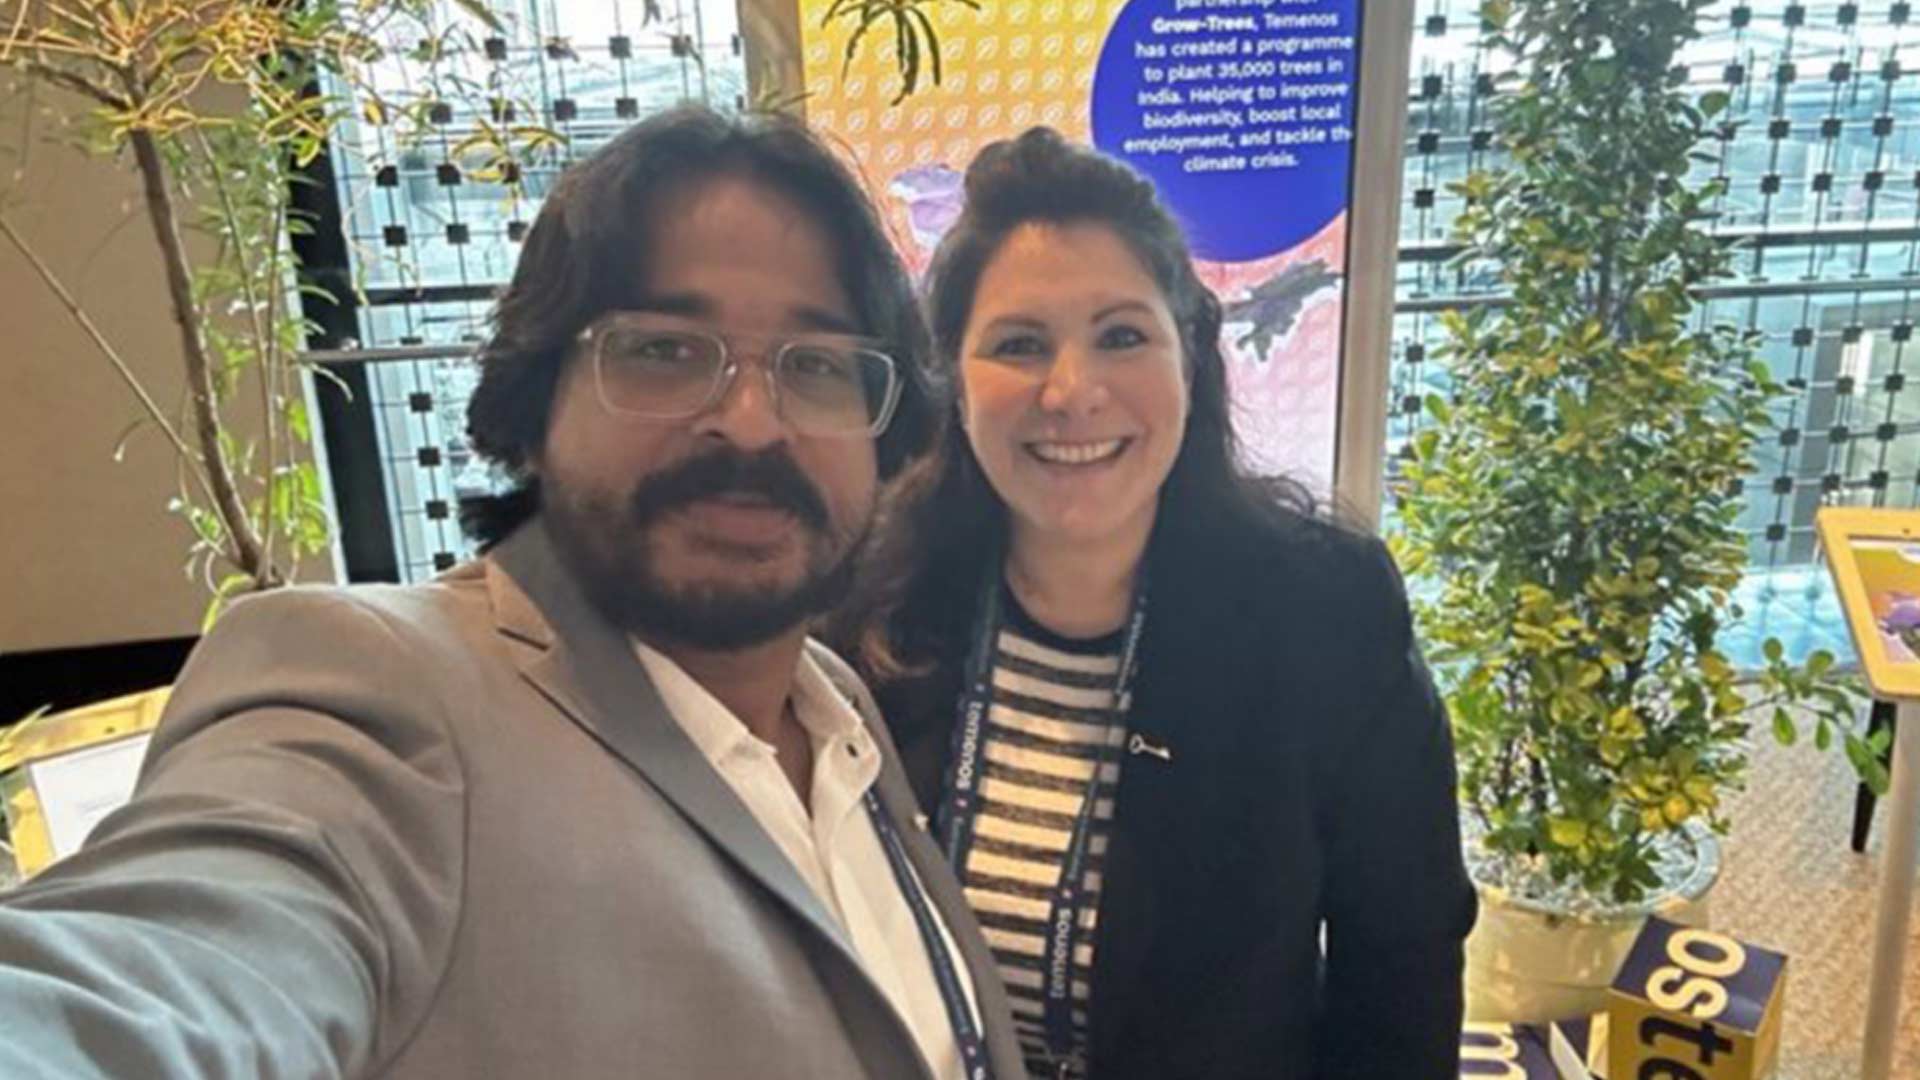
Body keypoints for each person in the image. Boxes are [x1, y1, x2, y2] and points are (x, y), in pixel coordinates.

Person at [0, 106, 1027, 1080]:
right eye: (664, 350)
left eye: (818, 364)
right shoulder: (387, 701)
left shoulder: (836, 708)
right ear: (536, 401)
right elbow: (168, 968)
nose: (753, 423)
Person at [833, 128, 1476, 1079]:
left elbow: (1402, 978)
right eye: (1018, 344)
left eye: (1122, 336)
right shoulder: (869, 603)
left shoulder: (1325, 614)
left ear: (1190, 357)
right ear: (954, 382)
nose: (1071, 391)